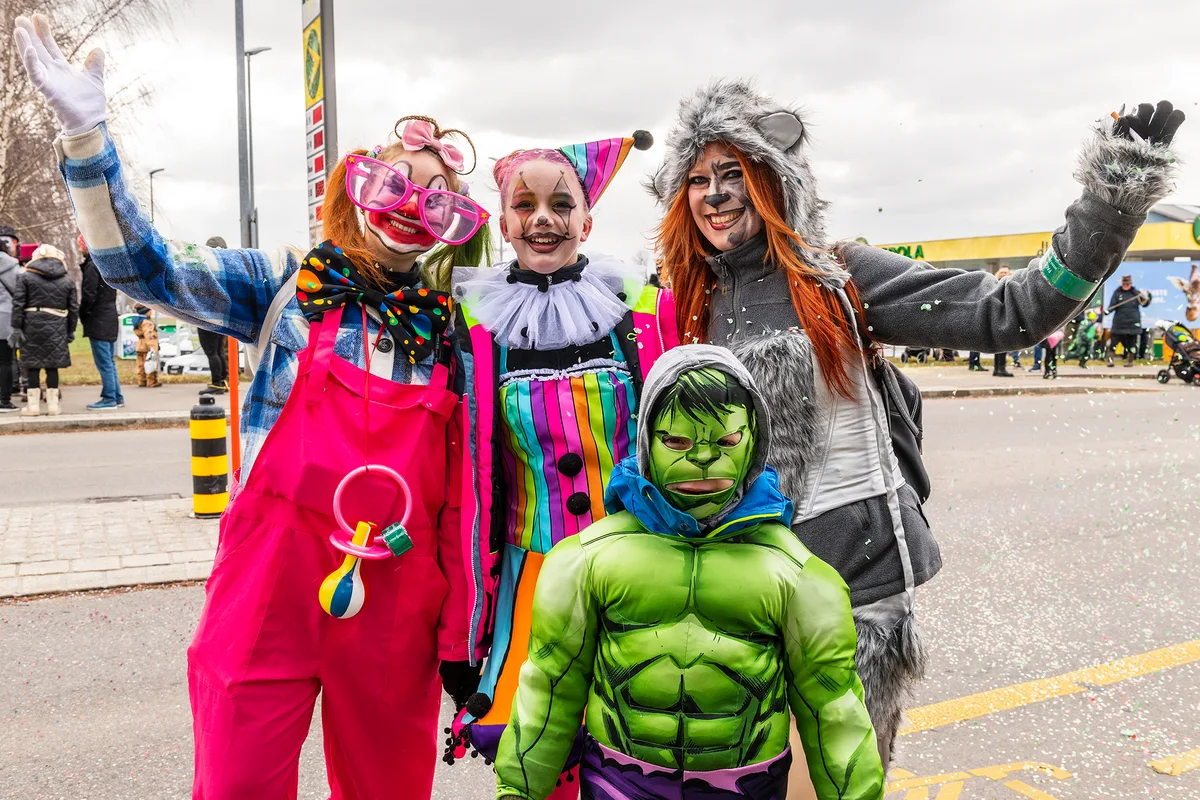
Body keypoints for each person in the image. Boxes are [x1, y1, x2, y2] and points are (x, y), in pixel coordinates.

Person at [18, 13, 495, 798]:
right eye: (398, 181)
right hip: (268, 579)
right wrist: (85, 140)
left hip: (397, 601)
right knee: (237, 780)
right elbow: (146, 269)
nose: (413, 205)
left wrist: (464, 632)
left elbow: (474, 496)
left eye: (436, 198)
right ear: (361, 186)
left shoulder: (456, 332)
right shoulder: (288, 282)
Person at [649, 80, 1184, 770]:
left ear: (775, 178)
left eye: (734, 173)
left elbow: (1009, 314)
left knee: (836, 782)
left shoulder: (839, 276)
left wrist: (1110, 205)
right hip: (736, 600)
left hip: (850, 591)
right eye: (698, 179)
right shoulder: (686, 300)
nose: (716, 195)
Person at [494, 347, 884, 800]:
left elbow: (833, 709)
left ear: (754, 440)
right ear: (647, 441)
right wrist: (516, 790)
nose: (702, 458)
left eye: (726, 441)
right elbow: (550, 688)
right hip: (619, 782)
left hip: (748, 786)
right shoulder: (586, 561)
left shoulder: (795, 574)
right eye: (678, 442)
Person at [447, 134, 674, 785]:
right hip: (533, 576)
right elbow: (464, 469)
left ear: (587, 221)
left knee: (640, 752)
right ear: (504, 224)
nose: (543, 218)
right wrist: (463, 623)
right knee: (535, 754)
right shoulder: (475, 327)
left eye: (561, 204)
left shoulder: (641, 309)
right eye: (525, 205)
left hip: (637, 566)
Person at [11, 243, 78, 417]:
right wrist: (70, 330)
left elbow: (18, 304)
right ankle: (53, 406)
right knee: (52, 366)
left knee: (32, 366)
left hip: (31, 324)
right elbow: (73, 308)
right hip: (57, 325)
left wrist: (16, 327)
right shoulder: (67, 280)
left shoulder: (25, 278)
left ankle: (33, 406)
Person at [78, 233, 125, 409]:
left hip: (98, 319)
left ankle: (109, 398)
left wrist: (83, 314)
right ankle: (117, 396)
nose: (79, 249)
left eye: (80, 245)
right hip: (109, 317)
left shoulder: (92, 266)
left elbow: (89, 295)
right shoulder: (105, 265)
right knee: (109, 361)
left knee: (104, 362)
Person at [198, 236, 231, 393]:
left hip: (206, 316)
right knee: (219, 351)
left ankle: (216, 383)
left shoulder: (206, 269)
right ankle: (223, 381)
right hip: (222, 316)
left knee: (212, 352)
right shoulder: (226, 268)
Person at [1105, 274, 1152, 366]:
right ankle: (1110, 361)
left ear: (1130, 284)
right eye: (1124, 283)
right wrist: (1107, 311)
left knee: (1131, 344)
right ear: (1122, 283)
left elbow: (1144, 304)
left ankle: (1130, 361)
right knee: (1114, 343)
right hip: (1119, 323)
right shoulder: (1117, 293)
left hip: (1132, 323)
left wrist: (1149, 298)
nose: (1126, 285)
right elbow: (1112, 306)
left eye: (1128, 283)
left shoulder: (1136, 293)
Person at [0, 227, 19, 411]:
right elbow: (19, 291)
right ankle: (4, 400)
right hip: (6, 318)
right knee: (6, 360)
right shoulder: (13, 266)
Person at [131, 303, 160, 388]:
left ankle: (142, 381)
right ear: (147, 311)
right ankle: (152, 382)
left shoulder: (138, 321)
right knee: (150, 363)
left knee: (141, 365)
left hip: (140, 345)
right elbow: (149, 335)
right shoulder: (147, 322)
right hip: (147, 346)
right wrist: (152, 348)